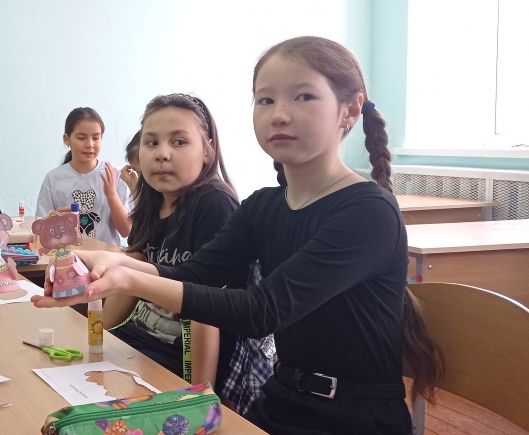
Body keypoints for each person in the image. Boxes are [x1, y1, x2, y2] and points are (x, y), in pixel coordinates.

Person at [33, 36, 443, 434]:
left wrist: (129, 278)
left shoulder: (367, 211)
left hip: (353, 417)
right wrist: (113, 262)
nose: (279, 114)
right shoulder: (264, 205)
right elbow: (196, 274)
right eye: (265, 100)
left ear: (349, 110)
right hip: (281, 401)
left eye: (303, 96)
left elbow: (260, 311)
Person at [106, 94, 244, 391]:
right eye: (151, 142)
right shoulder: (152, 199)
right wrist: (94, 341)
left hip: (177, 365)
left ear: (207, 150)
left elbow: (207, 308)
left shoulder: (214, 203)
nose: (162, 154)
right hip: (133, 347)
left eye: (179, 142)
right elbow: (130, 274)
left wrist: (199, 398)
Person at [35, 107, 132, 245]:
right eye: (81, 138)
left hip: (107, 256)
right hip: (67, 255)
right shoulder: (53, 178)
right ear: (67, 139)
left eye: (96, 138)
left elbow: (126, 231)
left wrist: (111, 195)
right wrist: (57, 220)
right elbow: (40, 231)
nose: (90, 144)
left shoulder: (115, 175)